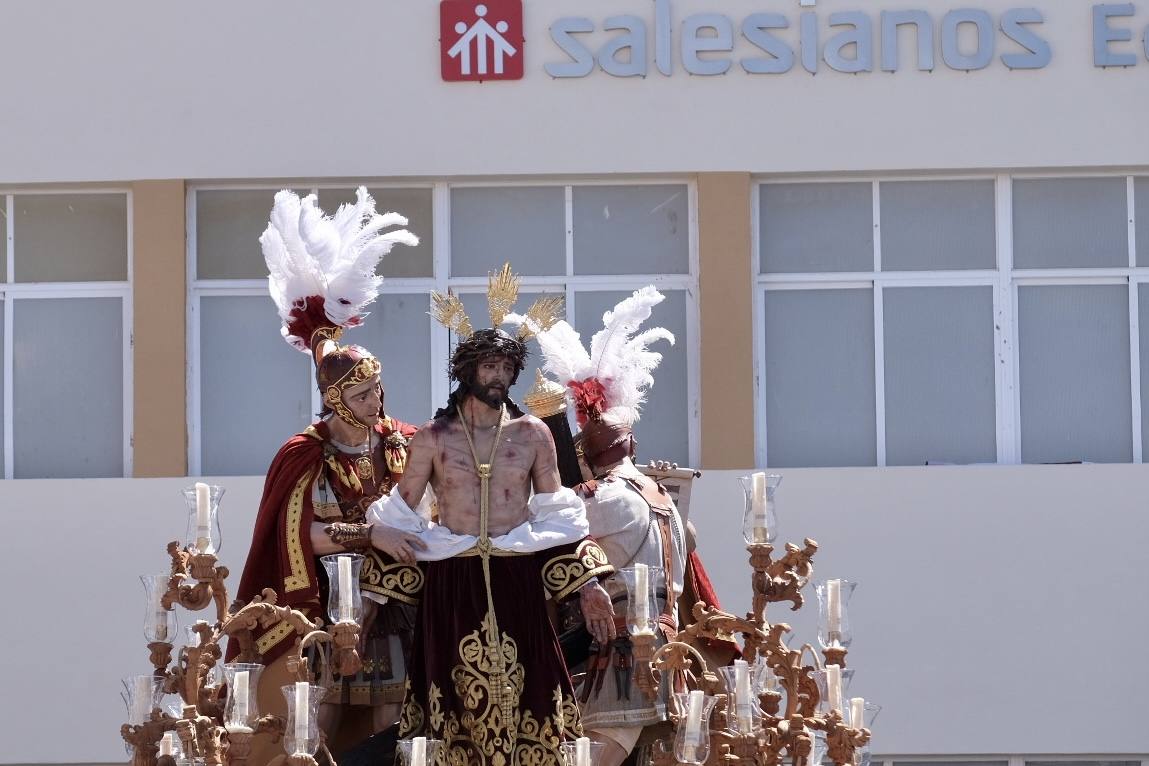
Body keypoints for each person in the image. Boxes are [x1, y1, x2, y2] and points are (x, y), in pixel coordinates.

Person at [368, 276, 617, 766]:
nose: (500, 376)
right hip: (451, 577)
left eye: (507, 366)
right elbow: (401, 509)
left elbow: (559, 517)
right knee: (450, 683)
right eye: (490, 365)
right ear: (467, 370)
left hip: (516, 574)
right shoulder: (434, 438)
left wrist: (589, 584)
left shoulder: (533, 435)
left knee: (531, 684)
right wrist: (374, 567)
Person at [229, 187, 422, 765]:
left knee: (396, 708)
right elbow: (302, 534)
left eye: (377, 389)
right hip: (325, 605)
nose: (376, 400)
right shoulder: (304, 454)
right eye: (362, 394)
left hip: (395, 595)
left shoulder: (401, 442)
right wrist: (371, 535)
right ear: (336, 400)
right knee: (322, 708)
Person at [526, 287, 684, 766]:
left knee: (594, 756)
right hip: (664, 638)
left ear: (588, 459)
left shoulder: (606, 496)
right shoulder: (665, 498)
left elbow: (545, 528)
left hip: (624, 644)